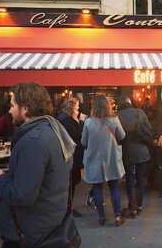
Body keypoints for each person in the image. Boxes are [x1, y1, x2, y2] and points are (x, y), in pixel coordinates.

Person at [0, 83, 76, 248]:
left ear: (25, 108)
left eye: (12, 105)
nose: (9, 111)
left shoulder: (34, 140)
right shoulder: (53, 129)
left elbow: (22, 195)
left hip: (31, 233)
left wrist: (1, 179)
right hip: (49, 225)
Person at [81, 94, 126, 227]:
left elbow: (83, 141)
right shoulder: (114, 120)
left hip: (94, 159)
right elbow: (122, 135)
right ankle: (117, 216)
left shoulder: (88, 122)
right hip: (111, 158)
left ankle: (101, 217)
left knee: (97, 188)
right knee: (114, 187)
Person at [118, 97, 152, 218]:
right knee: (140, 179)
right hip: (142, 151)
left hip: (127, 152)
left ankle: (132, 206)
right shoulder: (140, 113)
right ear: (131, 104)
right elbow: (149, 131)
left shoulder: (118, 116)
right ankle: (139, 205)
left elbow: (117, 137)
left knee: (130, 180)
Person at [59, 97, 85, 218]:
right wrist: (80, 121)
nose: (78, 110)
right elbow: (78, 135)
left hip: (71, 157)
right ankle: (68, 209)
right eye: (77, 107)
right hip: (71, 157)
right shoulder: (68, 121)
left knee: (72, 182)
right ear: (71, 108)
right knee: (71, 182)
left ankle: (68, 207)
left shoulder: (64, 119)